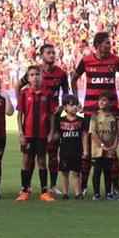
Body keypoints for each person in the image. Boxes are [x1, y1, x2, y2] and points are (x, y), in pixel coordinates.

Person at [72, 32, 119, 191]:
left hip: (111, 112)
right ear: (97, 45)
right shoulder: (86, 60)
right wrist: (76, 100)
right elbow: (74, 78)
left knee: (112, 149)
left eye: (109, 43)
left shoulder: (116, 60)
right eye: (106, 43)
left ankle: (115, 185)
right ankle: (83, 186)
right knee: (88, 151)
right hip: (90, 112)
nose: (109, 46)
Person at [26, 43, 71, 194]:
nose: (52, 55)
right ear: (42, 55)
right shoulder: (35, 72)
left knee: (53, 152)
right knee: (31, 154)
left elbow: (66, 94)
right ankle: (27, 186)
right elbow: (19, 85)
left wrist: (62, 106)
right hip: (36, 118)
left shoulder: (61, 74)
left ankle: (52, 185)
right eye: (48, 53)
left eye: (53, 52)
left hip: (53, 117)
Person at [16, 66, 55, 202]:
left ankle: (44, 191)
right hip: (28, 134)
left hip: (43, 134)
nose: (35, 77)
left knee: (42, 161)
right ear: (28, 77)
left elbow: (51, 115)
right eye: (31, 75)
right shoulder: (24, 93)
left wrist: (51, 132)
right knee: (26, 161)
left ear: (41, 76)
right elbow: (20, 115)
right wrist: (21, 133)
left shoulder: (47, 93)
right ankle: (24, 190)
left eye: (37, 74)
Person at [52, 96, 85, 200]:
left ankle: (77, 193)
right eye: (71, 105)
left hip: (77, 150)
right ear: (65, 107)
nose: (74, 107)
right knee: (64, 172)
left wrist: (85, 150)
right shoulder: (60, 120)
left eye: (76, 104)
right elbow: (56, 135)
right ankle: (65, 193)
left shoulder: (81, 120)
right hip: (64, 151)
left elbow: (84, 136)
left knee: (76, 172)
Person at [88, 93, 119, 200]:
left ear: (109, 103)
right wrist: (101, 145)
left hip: (109, 150)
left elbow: (116, 133)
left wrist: (114, 146)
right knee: (97, 171)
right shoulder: (95, 115)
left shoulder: (112, 117)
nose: (102, 102)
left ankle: (108, 193)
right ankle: (96, 193)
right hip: (97, 150)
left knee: (108, 172)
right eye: (100, 100)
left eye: (104, 100)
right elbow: (93, 133)